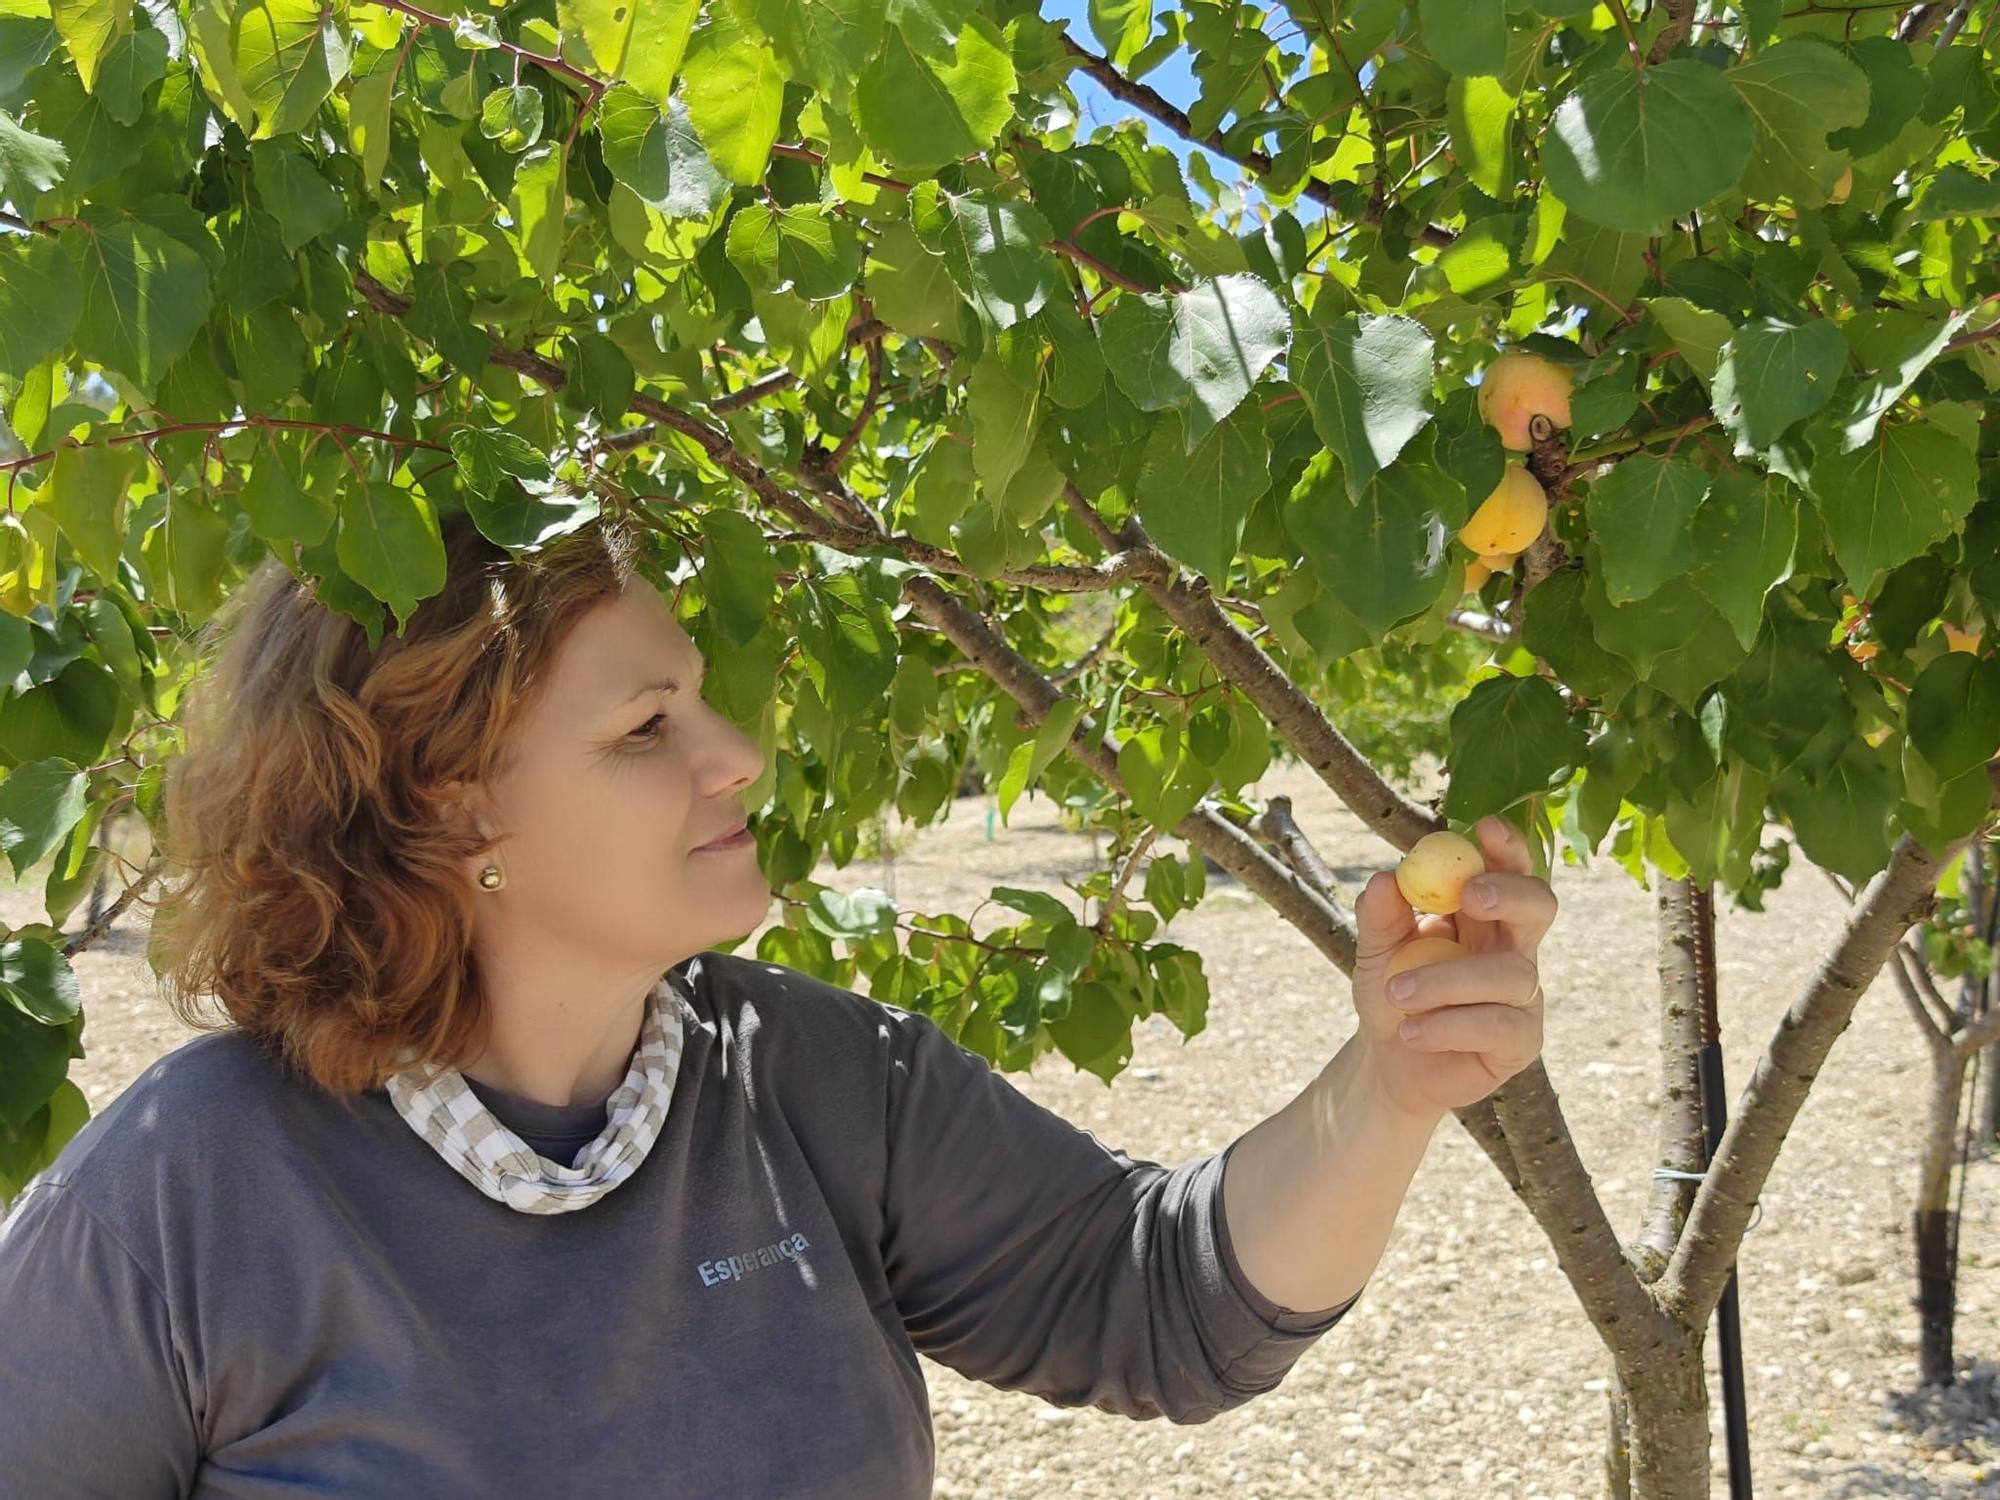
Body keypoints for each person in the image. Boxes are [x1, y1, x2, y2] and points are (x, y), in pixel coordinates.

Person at [0, 505, 1381, 1496]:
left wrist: (1396, 1072)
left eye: (700, 705)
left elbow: (1153, 1297)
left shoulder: (819, 1078)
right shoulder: (189, 1190)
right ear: (447, 795)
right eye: (647, 728)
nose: (738, 759)